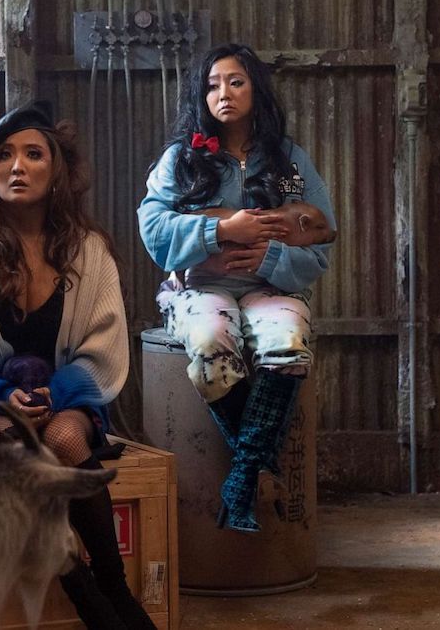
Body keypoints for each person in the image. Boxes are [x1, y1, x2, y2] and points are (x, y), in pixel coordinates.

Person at [0, 101, 155, 630]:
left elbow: (105, 344)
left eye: (33, 154)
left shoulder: (89, 250)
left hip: (62, 399)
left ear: (58, 170)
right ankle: (89, 595)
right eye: (4, 156)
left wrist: (58, 394)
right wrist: (1, 394)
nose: (17, 166)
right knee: (18, 453)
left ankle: (113, 583)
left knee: (68, 443)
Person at [137, 43, 336, 533]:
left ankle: (242, 477)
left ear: (256, 90)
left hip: (271, 286)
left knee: (287, 344)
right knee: (210, 342)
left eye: (235, 82)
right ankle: (257, 470)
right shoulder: (182, 159)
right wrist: (223, 230)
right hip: (201, 285)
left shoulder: (289, 161)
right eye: (211, 85)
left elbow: (321, 241)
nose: (222, 93)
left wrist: (270, 256)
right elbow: (154, 230)